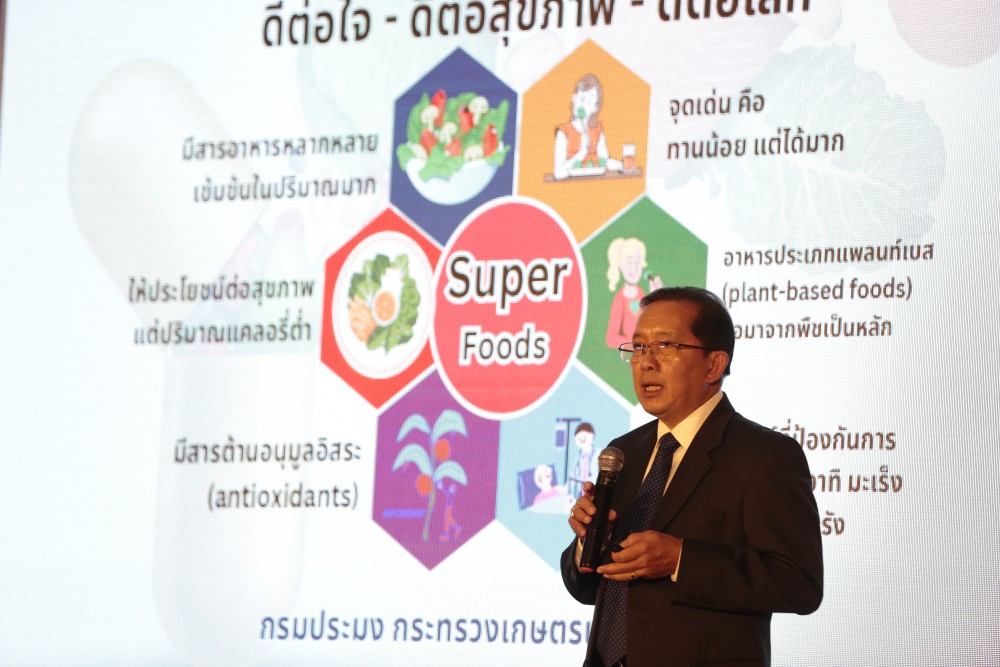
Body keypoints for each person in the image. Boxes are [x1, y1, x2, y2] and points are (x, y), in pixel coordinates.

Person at [562, 287, 822, 667]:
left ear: (713, 365)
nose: (645, 362)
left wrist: (680, 560)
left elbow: (799, 583)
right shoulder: (624, 452)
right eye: (638, 347)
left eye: (665, 345)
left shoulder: (764, 455)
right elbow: (587, 588)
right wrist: (588, 543)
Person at [605, 238, 662, 350]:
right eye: (629, 262)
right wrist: (637, 343)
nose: (634, 268)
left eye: (638, 262)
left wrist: (657, 298)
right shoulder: (619, 299)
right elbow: (611, 339)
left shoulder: (641, 293)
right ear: (621, 265)